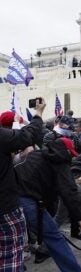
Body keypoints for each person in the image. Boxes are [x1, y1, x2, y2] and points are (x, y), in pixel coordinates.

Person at [15, 137, 81, 272]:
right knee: (54, 237)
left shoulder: (36, 154)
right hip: (28, 201)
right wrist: (80, 217)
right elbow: (69, 190)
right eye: (70, 153)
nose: (71, 157)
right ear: (65, 151)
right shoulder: (60, 161)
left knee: (13, 240)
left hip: (10, 198)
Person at [0, 99, 45, 271]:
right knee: (10, 259)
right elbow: (28, 135)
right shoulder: (4, 137)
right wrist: (38, 114)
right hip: (5, 210)